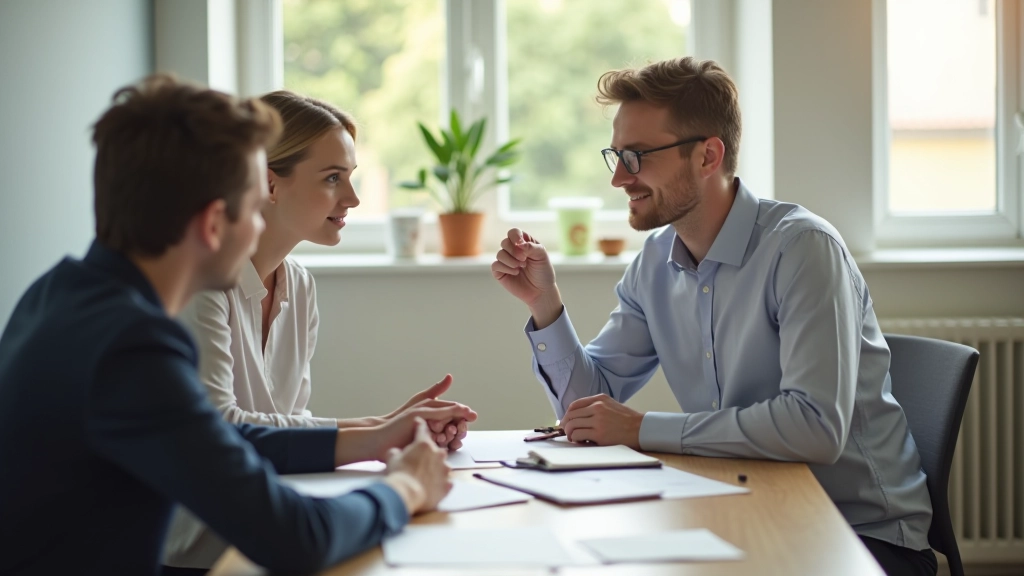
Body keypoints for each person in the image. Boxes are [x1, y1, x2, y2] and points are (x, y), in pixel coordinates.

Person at [0, 75, 467, 576]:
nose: (258, 229)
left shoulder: (61, 294)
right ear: (213, 223)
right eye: (251, 207)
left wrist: (375, 436)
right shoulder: (132, 346)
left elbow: (221, 439)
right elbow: (296, 538)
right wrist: (406, 488)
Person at [490, 57, 936, 576]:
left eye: (635, 157)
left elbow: (815, 427)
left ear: (707, 155)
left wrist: (643, 429)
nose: (618, 178)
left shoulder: (803, 249)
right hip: (741, 511)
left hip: (860, 538)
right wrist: (545, 306)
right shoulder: (655, 262)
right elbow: (587, 410)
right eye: (616, 155)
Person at [162, 91, 476, 572]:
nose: (352, 199)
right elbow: (226, 429)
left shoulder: (300, 284)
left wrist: (384, 425)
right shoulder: (203, 285)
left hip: (268, 538)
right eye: (333, 179)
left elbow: (283, 424)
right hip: (201, 557)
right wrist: (375, 434)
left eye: (349, 178)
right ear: (269, 184)